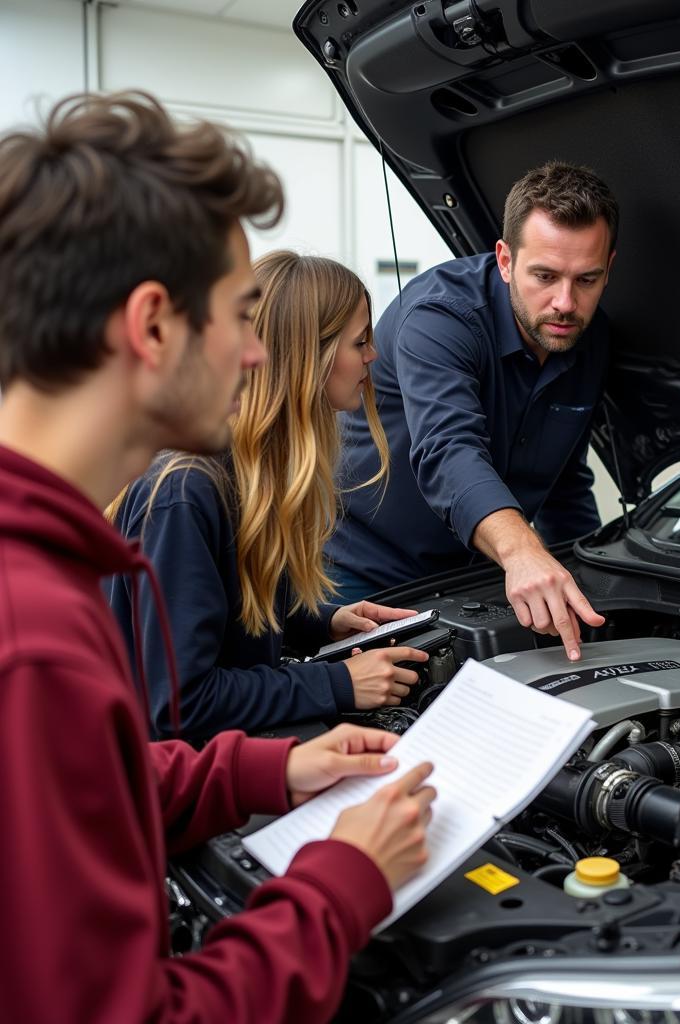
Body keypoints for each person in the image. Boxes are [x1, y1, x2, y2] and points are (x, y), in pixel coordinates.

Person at [0, 91, 436, 1022]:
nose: (254, 355)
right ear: (154, 325)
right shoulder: (31, 640)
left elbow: (100, 774)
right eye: (241, 316)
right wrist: (341, 884)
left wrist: (263, 771)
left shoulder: (43, 572)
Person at [107, 250, 429, 741]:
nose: (373, 356)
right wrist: (337, 682)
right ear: (308, 357)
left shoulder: (254, 474)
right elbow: (178, 705)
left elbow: (226, 618)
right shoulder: (186, 492)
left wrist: (321, 623)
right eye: (360, 342)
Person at [327, 161, 617, 661]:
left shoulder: (590, 340)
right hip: (365, 578)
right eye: (544, 276)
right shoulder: (440, 319)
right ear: (505, 260)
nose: (565, 303)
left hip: (475, 576)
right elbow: (448, 449)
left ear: (609, 267)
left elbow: (564, 480)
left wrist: (589, 575)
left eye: (586, 279)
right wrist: (523, 552)